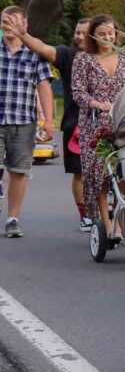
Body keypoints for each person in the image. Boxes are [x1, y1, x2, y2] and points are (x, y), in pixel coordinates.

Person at [6, 15, 92, 230]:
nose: (78, 36)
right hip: (76, 124)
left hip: (106, 123)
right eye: (77, 32)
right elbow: (43, 48)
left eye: (84, 33)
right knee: (79, 173)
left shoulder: (111, 57)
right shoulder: (66, 55)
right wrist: (23, 34)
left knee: (108, 173)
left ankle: (111, 215)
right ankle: (85, 216)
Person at [71, 15, 125, 240]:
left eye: (111, 33)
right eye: (102, 34)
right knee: (99, 174)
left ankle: (121, 222)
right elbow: (78, 92)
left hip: (124, 121)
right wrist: (97, 104)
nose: (107, 37)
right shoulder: (84, 59)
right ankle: (106, 223)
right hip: (95, 122)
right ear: (93, 35)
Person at [0, 6, 55, 238]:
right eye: (3, 21)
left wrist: (49, 122)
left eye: (12, 21)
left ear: (24, 26)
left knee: (18, 172)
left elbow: (44, 87)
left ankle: (13, 219)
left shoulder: (35, 53)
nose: (7, 25)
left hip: (23, 121)